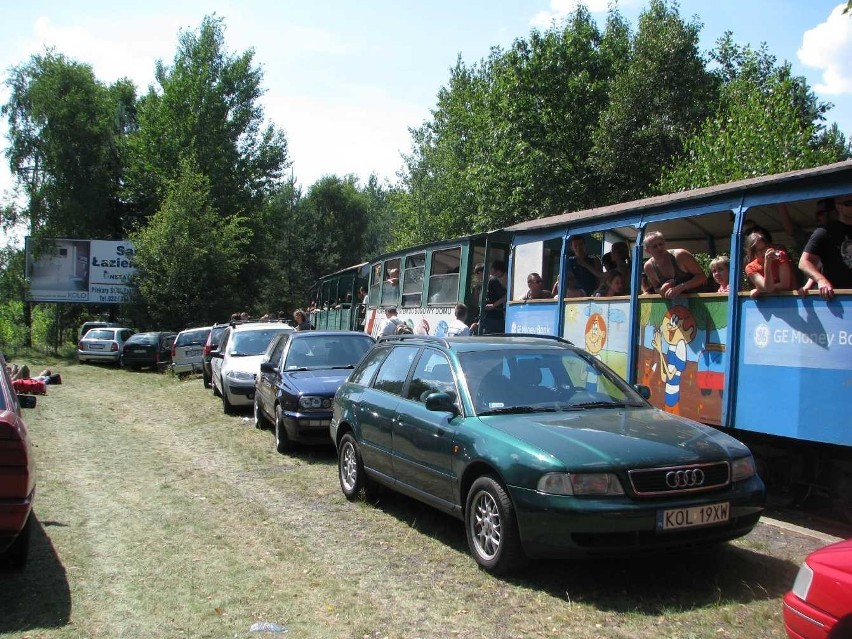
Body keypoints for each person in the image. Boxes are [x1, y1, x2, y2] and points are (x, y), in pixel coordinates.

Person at [799, 194, 852, 299]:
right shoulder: (824, 232)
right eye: (849, 203)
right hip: (838, 301)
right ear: (838, 206)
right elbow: (804, 262)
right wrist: (821, 280)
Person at [642, 231, 708, 298]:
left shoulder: (681, 255)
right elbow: (656, 288)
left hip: (699, 300)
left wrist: (681, 287)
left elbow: (702, 276)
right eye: (655, 246)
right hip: (675, 305)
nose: (659, 248)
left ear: (665, 243)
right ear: (647, 251)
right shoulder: (649, 267)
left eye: (661, 244)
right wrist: (662, 290)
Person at [743, 232, 795, 298]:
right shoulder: (750, 268)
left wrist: (761, 290)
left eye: (765, 248)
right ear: (753, 254)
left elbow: (785, 285)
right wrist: (767, 264)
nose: (764, 253)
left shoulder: (780, 255)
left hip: (790, 299)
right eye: (759, 251)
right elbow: (769, 289)